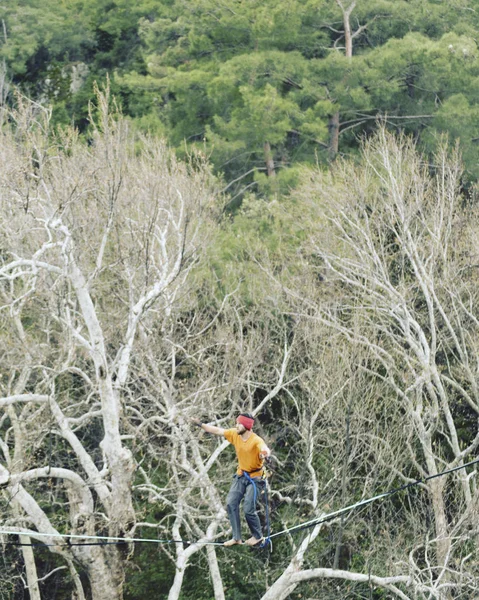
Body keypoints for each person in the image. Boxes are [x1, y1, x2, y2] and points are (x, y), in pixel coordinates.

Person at [192, 412, 271, 547]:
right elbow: (217, 430)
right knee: (230, 503)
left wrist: (265, 454)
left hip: (255, 479)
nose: (236, 425)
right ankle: (236, 537)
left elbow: (265, 449)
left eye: (239, 423)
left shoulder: (256, 440)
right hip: (241, 475)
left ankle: (257, 536)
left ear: (246, 425)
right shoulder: (235, 434)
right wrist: (200, 424)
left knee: (247, 508)